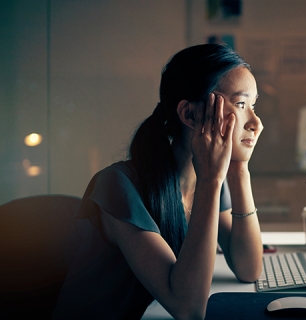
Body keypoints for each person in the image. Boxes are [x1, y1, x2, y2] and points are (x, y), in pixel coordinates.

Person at [53, 43, 264, 319]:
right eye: (240, 104)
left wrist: (239, 171)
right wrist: (212, 180)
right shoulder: (118, 185)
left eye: (253, 105)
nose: (256, 123)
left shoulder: (210, 182)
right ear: (189, 114)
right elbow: (188, 308)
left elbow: (248, 269)